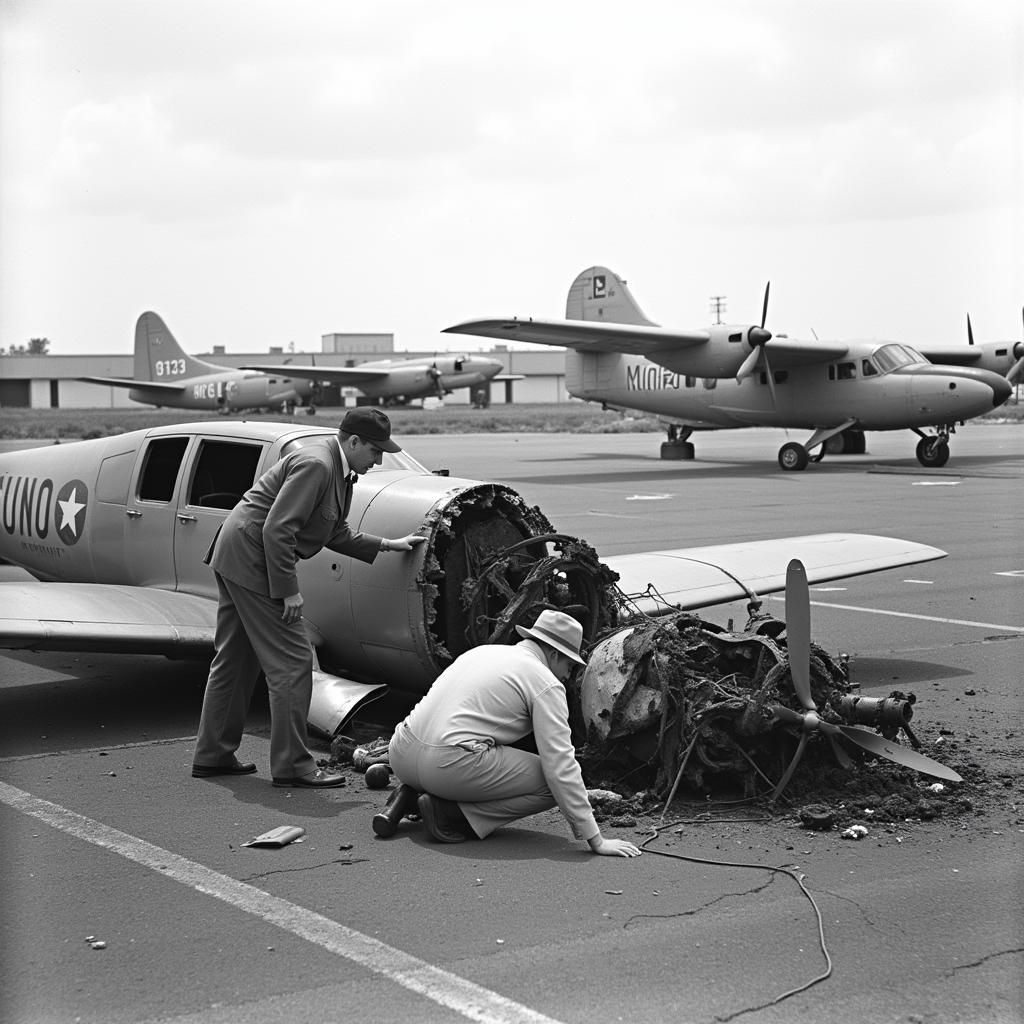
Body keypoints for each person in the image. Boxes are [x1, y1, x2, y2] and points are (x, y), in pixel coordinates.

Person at [192, 408, 425, 788]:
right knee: (293, 662)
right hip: (253, 561)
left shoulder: (338, 469)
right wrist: (288, 592)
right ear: (352, 442)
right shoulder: (317, 465)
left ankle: (213, 754)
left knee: (235, 658)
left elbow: (331, 530)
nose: (379, 459)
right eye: (374, 450)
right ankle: (293, 766)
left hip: (237, 555)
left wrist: (387, 544)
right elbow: (277, 531)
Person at [384, 609, 642, 857]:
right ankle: (449, 814)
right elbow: (559, 765)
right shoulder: (545, 681)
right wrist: (595, 838)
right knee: (552, 784)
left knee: (470, 749)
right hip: (444, 766)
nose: (568, 674)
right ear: (553, 653)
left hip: (401, 754)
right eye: (569, 664)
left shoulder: (481, 652)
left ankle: (411, 794)